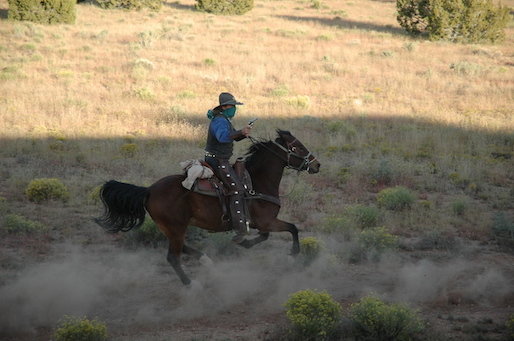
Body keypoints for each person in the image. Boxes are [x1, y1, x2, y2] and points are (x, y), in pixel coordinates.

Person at [204, 92, 252, 244]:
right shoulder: (220, 121)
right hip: (217, 161)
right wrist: (240, 132)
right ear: (224, 106)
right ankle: (239, 229)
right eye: (232, 106)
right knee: (237, 189)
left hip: (218, 159)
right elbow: (223, 137)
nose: (234, 109)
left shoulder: (223, 119)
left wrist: (242, 134)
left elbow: (231, 136)